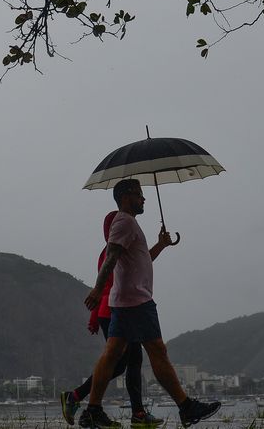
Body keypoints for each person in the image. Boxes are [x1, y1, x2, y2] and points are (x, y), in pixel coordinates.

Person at [77, 179, 221, 428]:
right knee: (157, 351)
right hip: (136, 302)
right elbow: (111, 257)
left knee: (111, 356)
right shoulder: (124, 221)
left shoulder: (129, 224)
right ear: (125, 196)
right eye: (139, 194)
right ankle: (186, 407)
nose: (144, 199)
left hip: (126, 301)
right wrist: (98, 289)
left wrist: (161, 245)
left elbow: (140, 260)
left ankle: (92, 410)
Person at [60, 211, 161, 427]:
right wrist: (95, 317)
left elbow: (142, 261)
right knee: (125, 362)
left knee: (124, 363)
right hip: (117, 311)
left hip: (114, 311)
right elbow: (105, 285)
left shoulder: (116, 250)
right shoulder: (112, 252)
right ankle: (133, 413)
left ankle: (80, 398)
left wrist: (161, 245)